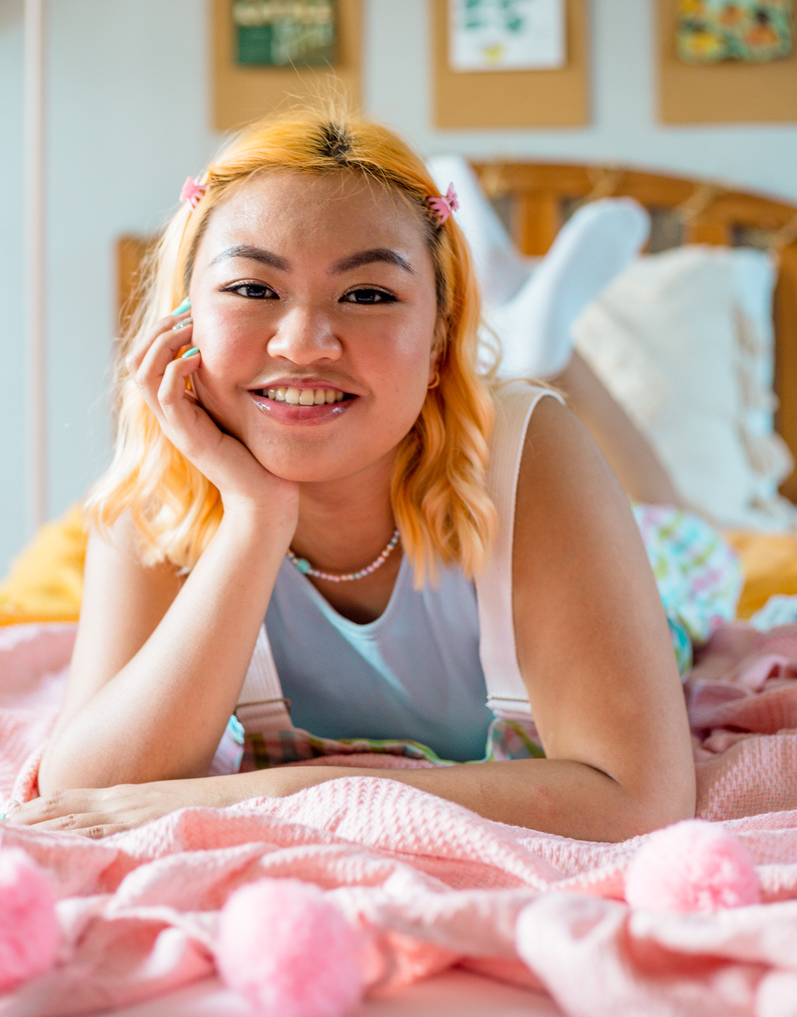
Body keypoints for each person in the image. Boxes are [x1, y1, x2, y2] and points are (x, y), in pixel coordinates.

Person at [9, 109, 698, 841]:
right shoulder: (154, 496)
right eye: (252, 289)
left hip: (649, 562)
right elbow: (83, 795)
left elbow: (637, 797)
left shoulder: (529, 453)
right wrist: (255, 518)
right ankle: (529, 321)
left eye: (368, 295)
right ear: (184, 322)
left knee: (681, 530)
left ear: (438, 339)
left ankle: (546, 345)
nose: (304, 344)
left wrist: (271, 794)